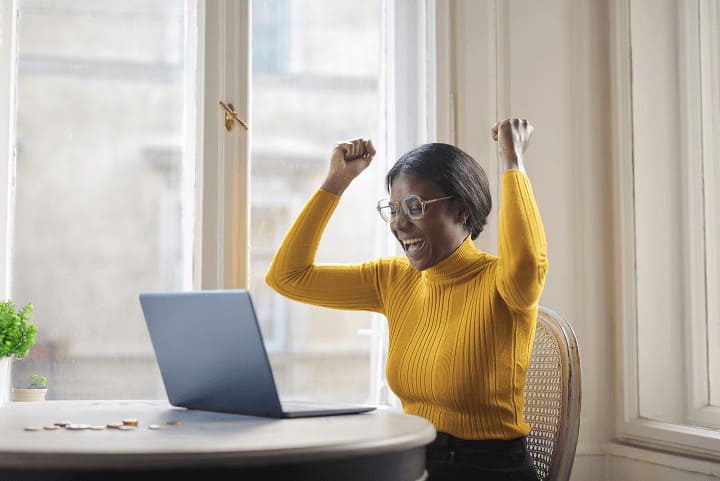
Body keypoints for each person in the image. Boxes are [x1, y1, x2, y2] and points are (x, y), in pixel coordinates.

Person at [265, 118, 547, 481]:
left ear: (461, 210)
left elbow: (528, 259)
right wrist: (337, 182)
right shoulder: (393, 280)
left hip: (485, 468)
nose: (399, 224)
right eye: (394, 210)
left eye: (414, 207)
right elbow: (288, 277)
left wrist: (513, 161)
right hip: (414, 460)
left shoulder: (503, 282)